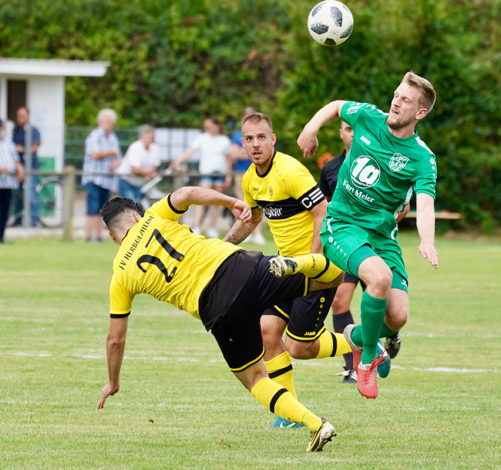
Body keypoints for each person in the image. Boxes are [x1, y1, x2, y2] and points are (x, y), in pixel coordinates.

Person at [96, 188, 343, 452]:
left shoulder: (120, 274)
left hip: (219, 310)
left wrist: (113, 382)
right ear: (136, 217)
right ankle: (303, 264)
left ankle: (316, 424)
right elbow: (187, 193)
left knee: (255, 378)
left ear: (113, 237)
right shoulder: (154, 216)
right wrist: (232, 202)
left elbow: (115, 340)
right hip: (239, 266)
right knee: (333, 278)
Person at [223, 112, 389, 426]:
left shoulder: (290, 171)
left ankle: (365, 343)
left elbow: (322, 214)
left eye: (262, 137)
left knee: (300, 347)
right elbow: (254, 220)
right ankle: (290, 413)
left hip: (316, 268)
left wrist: (311, 263)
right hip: (284, 267)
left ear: (272, 140)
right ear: (242, 144)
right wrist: (224, 244)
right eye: (249, 139)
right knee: (267, 331)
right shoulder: (250, 180)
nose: (256, 144)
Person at [297, 71, 439, 399]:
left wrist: (427, 239)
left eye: (405, 100)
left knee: (398, 316)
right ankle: (365, 361)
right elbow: (335, 106)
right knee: (379, 277)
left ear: (420, 113)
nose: (395, 102)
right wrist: (310, 128)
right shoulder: (367, 116)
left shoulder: (422, 158)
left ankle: (359, 337)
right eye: (396, 95)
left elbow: (426, 204)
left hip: (382, 237)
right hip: (342, 226)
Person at [319, 120, 410, 383]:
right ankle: (353, 365)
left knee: (393, 310)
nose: (350, 134)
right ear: (341, 133)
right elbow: (325, 207)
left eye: (353, 129)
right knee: (339, 302)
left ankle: (382, 334)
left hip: (376, 243)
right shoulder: (330, 168)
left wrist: (379, 225)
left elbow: (402, 206)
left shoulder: (383, 160)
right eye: (346, 129)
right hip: (347, 241)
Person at [168, 116, 231, 238]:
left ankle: (212, 228)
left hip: (220, 173)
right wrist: (177, 161)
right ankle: (196, 226)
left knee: (217, 201)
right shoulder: (201, 138)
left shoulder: (224, 140)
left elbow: (228, 160)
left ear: (216, 126)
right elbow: (189, 152)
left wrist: (228, 177)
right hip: (206, 173)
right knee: (201, 199)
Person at [82, 109, 121, 242]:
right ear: (100, 122)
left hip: (107, 180)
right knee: (92, 208)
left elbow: (119, 157)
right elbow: (94, 154)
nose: (109, 124)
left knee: (103, 210)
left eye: (111, 122)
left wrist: (116, 163)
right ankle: (88, 236)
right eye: (107, 121)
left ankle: (98, 237)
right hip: (94, 178)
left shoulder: (113, 138)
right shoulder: (95, 135)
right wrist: (110, 152)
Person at [229, 108, 265, 244]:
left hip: (258, 172)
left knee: (259, 202)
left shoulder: (261, 134)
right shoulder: (237, 135)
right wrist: (251, 152)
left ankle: (258, 234)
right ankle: (245, 233)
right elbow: (233, 154)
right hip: (241, 173)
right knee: (242, 203)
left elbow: (264, 152)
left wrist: (245, 151)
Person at [12, 106, 42, 226]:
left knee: (31, 194)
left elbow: (34, 148)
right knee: (18, 195)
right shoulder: (16, 131)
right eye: (18, 116)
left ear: (28, 116)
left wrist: (22, 150)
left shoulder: (34, 130)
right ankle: (18, 219)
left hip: (30, 168)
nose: (20, 119)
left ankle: (35, 221)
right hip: (18, 168)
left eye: (22, 116)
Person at [115, 125, 161, 202]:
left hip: (139, 183)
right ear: (140, 136)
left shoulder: (155, 149)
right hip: (126, 180)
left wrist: (144, 172)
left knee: (136, 206)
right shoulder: (135, 147)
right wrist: (148, 173)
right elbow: (135, 169)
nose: (148, 137)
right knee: (130, 207)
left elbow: (154, 167)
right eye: (146, 134)